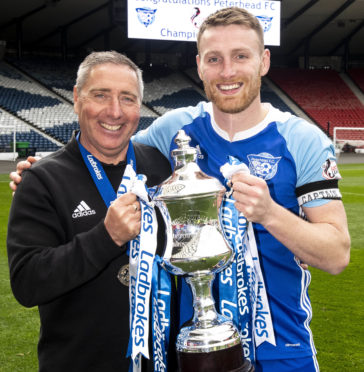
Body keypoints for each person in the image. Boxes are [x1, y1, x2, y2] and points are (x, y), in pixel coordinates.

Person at [10, 7, 351, 372]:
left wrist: (269, 212)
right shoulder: (174, 131)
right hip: (192, 352)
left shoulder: (302, 139)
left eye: (241, 56)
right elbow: (105, 143)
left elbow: (336, 255)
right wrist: (37, 171)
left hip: (282, 349)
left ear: (264, 61)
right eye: (214, 59)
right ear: (200, 65)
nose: (228, 71)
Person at [7, 51, 177, 372]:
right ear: (76, 98)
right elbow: (27, 283)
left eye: (127, 99)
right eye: (100, 95)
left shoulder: (159, 166)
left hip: (162, 363)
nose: (114, 112)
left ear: (139, 106)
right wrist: (106, 237)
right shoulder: (42, 180)